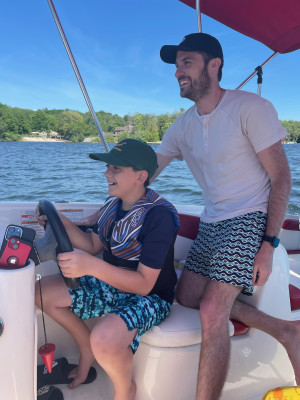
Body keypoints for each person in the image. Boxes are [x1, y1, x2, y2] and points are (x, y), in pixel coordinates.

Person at [151, 32, 298, 400]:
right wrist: (112, 195)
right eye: (176, 64)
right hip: (213, 221)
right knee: (186, 298)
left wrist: (268, 243)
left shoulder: (250, 108)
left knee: (212, 311)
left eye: (187, 62)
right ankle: (285, 330)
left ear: (213, 66)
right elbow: (148, 170)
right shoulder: (182, 125)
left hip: (250, 218)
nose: (177, 72)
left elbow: (281, 177)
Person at [35, 138, 179, 400]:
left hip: (151, 297)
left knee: (104, 338)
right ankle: (85, 350)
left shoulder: (159, 216)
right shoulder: (114, 204)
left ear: (140, 176)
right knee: (42, 292)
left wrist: (91, 266)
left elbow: (144, 284)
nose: (106, 174)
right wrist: (60, 219)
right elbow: (92, 244)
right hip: (112, 285)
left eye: (116, 169)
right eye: (108, 167)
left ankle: (125, 390)